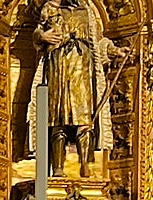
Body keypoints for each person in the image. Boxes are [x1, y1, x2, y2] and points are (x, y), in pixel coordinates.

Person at [34, 0, 99, 176]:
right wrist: (42, 36)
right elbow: (38, 31)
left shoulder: (86, 10)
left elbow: (96, 42)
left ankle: (85, 163)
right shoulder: (50, 8)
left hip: (82, 66)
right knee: (58, 116)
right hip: (59, 64)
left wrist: (114, 51)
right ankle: (58, 168)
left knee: (84, 116)